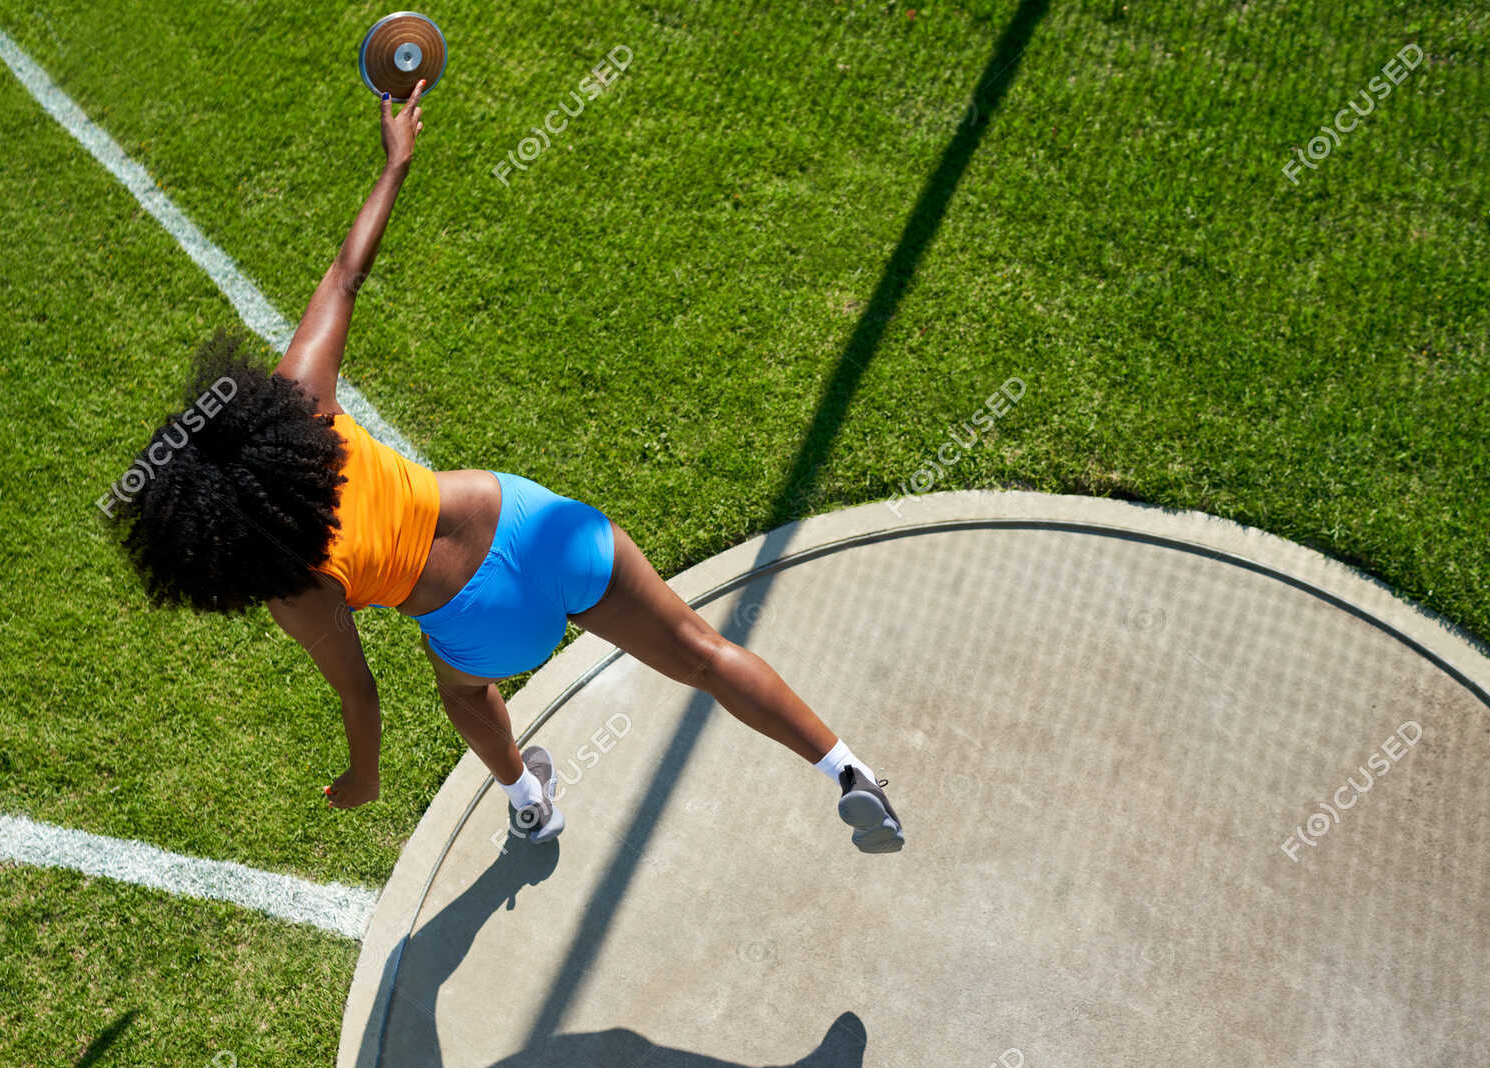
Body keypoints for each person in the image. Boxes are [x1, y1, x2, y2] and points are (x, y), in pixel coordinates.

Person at [108, 81, 902, 853]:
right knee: (702, 650)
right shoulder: (305, 401)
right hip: (539, 526)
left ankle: (528, 799)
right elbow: (347, 274)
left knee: (461, 691)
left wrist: (364, 774)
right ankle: (845, 766)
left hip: (487, 631)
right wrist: (395, 164)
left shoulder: (295, 587)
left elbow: (361, 693)